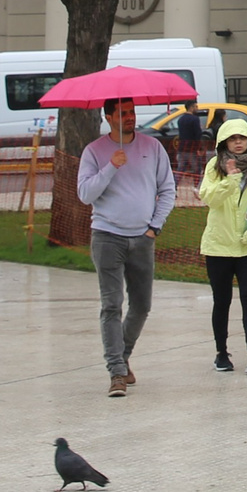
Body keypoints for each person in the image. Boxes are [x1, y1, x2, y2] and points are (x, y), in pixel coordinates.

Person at [77, 96, 176, 397]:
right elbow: (85, 194)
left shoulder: (152, 148)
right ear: (109, 117)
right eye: (122, 113)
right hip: (107, 236)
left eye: (132, 112)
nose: (129, 118)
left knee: (142, 305)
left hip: (142, 238)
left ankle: (122, 355)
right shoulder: (94, 151)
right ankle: (117, 373)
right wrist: (110, 167)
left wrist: (153, 227)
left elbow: (168, 188)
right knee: (111, 304)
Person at [198, 113, 247, 373]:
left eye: (242, 137)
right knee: (222, 300)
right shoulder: (214, 166)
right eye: (232, 139)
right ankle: (221, 352)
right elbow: (208, 197)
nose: (238, 143)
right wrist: (229, 180)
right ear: (223, 143)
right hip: (219, 245)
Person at [174, 101, 207, 177]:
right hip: (192, 148)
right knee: (197, 169)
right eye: (196, 107)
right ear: (191, 107)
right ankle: (196, 186)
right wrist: (200, 147)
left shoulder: (180, 119)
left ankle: (175, 185)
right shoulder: (195, 119)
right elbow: (198, 134)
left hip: (181, 148)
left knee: (181, 169)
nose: (197, 108)